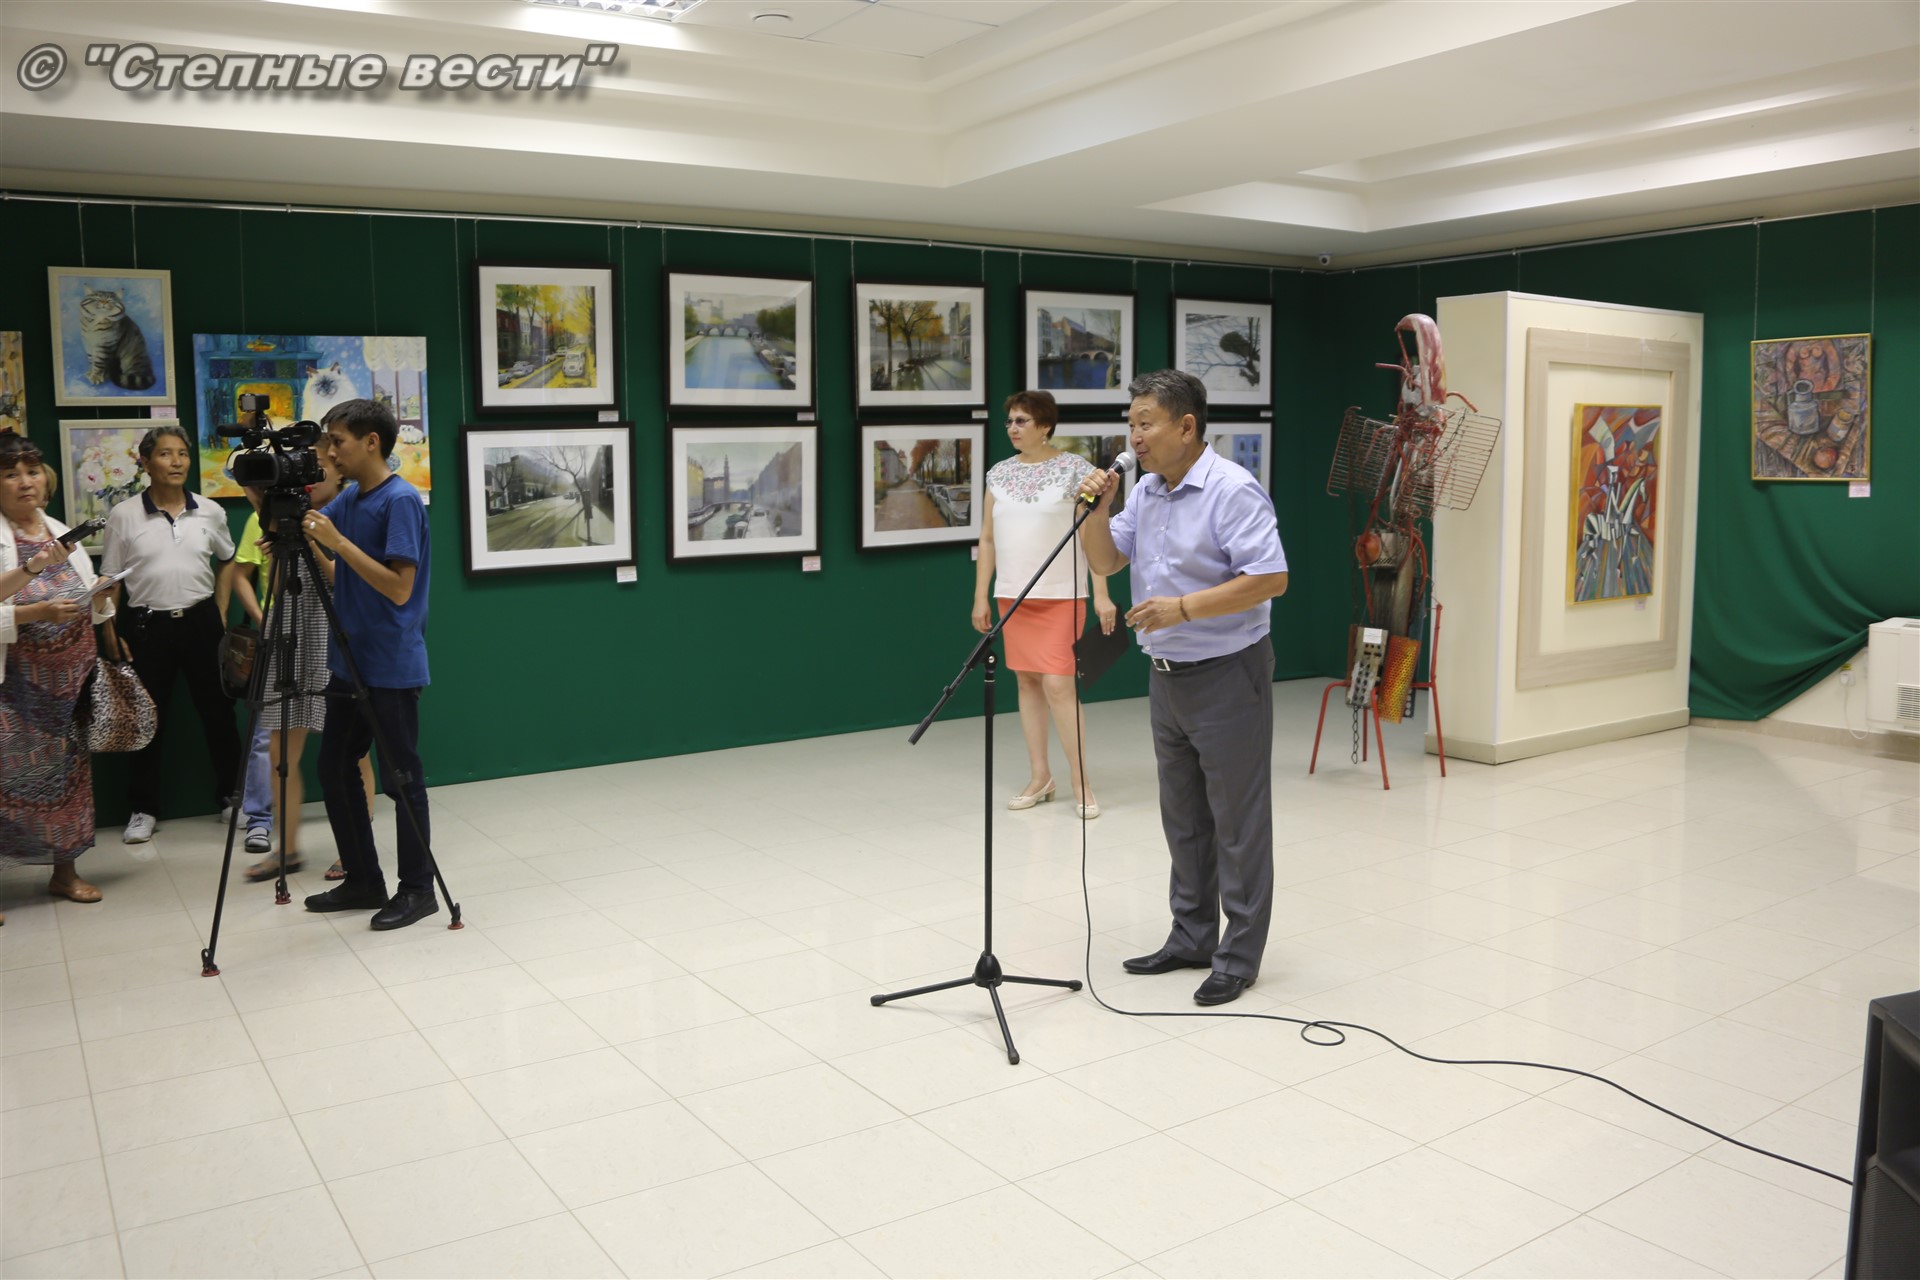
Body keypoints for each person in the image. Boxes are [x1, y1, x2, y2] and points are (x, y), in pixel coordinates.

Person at [1077, 369, 1289, 1006]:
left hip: (1229, 672)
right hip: (1166, 675)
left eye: (1146, 423)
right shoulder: (1146, 492)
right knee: (1184, 819)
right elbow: (1105, 560)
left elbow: (1270, 578)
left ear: (1187, 426)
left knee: (1237, 823)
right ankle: (1193, 937)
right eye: (1131, 424)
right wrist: (1095, 510)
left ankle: (1238, 957)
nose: (1135, 437)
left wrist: (1184, 608)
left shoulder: (1232, 490)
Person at [299, 399, 438, 931]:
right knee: (334, 768)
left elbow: (399, 588)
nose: (332, 452)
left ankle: (418, 890)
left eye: (338, 441)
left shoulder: (400, 501)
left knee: (401, 779)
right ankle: (363, 880)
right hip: (350, 658)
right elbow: (345, 574)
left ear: (371, 441)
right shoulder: (351, 497)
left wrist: (335, 542)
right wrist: (308, 540)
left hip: (390, 662)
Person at [230, 456, 375, 883]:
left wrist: (312, 542)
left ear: (339, 472)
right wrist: (277, 542)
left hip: (334, 631)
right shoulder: (279, 518)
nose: (308, 477)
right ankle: (287, 850)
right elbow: (278, 589)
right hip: (291, 632)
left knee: (353, 752)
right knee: (279, 749)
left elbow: (346, 582)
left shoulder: (351, 513)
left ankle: (355, 850)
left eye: (321, 465)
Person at [973, 391, 1118, 819]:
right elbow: (987, 538)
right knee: (1026, 683)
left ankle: (1081, 781)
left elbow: (1093, 534)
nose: (1012, 428)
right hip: (1012, 596)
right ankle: (1041, 777)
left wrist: (1102, 594)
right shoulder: (998, 474)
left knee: (1059, 686)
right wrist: (981, 594)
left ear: (1045, 426)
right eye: (1009, 421)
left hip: (1062, 595)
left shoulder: (1077, 471)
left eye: (1021, 420)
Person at [98, 425, 241, 844]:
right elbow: (111, 579)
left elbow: (228, 559)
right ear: (145, 462)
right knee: (145, 720)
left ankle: (233, 797)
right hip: (146, 626)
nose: (176, 462)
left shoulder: (210, 511)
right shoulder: (124, 515)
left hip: (201, 622)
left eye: (182, 453)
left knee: (219, 714)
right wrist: (109, 631)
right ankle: (143, 809)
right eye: (165, 454)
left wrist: (220, 609)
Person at [0, 433, 119, 913]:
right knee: (5, 781)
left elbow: (83, 600)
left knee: (67, 779)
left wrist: (102, 596)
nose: (25, 482)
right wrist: (36, 613)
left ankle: (64, 873)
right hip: (12, 692)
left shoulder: (58, 529)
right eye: (10, 474)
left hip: (66, 692)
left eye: (31, 471)